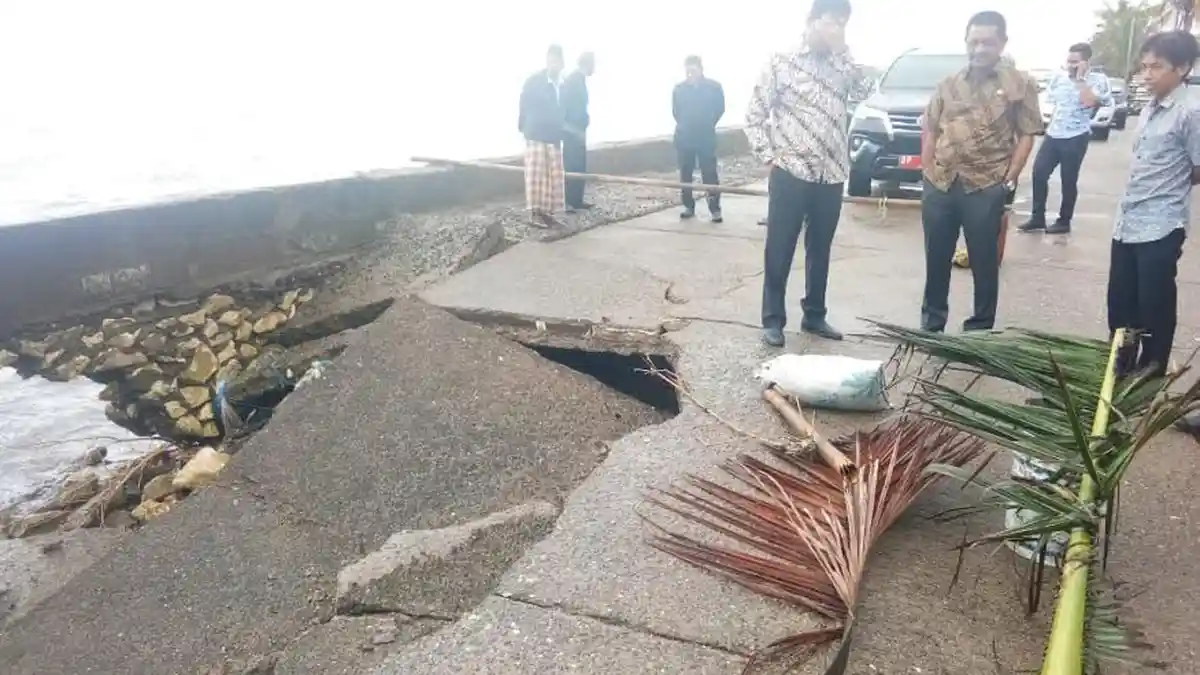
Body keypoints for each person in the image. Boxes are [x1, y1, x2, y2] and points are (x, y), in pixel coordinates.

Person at [919, 11, 1042, 333]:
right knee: (936, 259)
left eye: (988, 41)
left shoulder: (1020, 84)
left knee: (984, 262)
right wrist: (927, 170)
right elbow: (931, 129)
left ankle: (980, 328)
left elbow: (1027, 133)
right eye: (974, 41)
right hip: (941, 185)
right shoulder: (947, 84)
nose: (980, 48)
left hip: (985, 186)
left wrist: (1009, 178)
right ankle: (932, 323)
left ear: (1002, 43)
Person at [747, 0, 857, 347]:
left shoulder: (845, 64)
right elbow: (753, 115)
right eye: (830, 21)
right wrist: (770, 158)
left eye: (842, 23)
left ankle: (814, 315)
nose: (835, 29)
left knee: (820, 248)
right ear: (811, 20)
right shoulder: (782, 61)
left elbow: (866, 96)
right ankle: (773, 320)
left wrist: (842, 53)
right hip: (791, 171)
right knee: (780, 247)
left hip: (833, 172)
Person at [1110, 30, 1200, 380]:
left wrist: (1171, 185)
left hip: (1161, 225)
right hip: (1128, 221)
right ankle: (1122, 360)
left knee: (1155, 302)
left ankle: (1153, 365)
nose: (1147, 75)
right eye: (1144, 67)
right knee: (1122, 300)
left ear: (1183, 68)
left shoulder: (1191, 112)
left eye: (1156, 67)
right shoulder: (1150, 108)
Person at [1019, 42, 1112, 235]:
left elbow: (1089, 102)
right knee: (1039, 173)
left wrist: (1080, 79)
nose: (1070, 65)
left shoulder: (1097, 80)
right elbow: (1048, 99)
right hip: (1054, 134)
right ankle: (1037, 218)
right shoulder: (1058, 77)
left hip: (1076, 136)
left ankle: (1064, 221)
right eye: (1069, 61)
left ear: (1086, 62)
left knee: (1068, 180)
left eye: (1075, 62)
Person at [519, 45, 567, 228]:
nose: (553, 65)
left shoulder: (562, 85)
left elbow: (563, 110)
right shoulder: (534, 81)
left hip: (553, 136)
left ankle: (547, 212)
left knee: (553, 176)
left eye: (556, 62)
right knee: (536, 175)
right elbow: (523, 104)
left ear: (562, 63)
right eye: (550, 61)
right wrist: (523, 127)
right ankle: (534, 213)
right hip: (536, 133)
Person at [673, 55, 726, 223]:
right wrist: (685, 125)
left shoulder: (713, 87)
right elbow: (676, 112)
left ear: (700, 69)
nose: (690, 74)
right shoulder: (679, 89)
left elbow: (720, 109)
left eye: (693, 70)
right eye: (687, 71)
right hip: (685, 137)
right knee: (685, 173)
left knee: (710, 173)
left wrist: (708, 122)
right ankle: (688, 205)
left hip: (705, 137)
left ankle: (715, 208)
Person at [562, 52, 596, 212]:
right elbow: (567, 107)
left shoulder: (579, 80)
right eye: (593, 64)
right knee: (572, 166)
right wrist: (571, 128)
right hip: (571, 131)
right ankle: (569, 201)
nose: (594, 68)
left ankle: (577, 200)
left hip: (578, 130)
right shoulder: (572, 81)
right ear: (587, 64)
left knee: (580, 166)